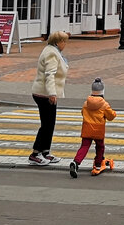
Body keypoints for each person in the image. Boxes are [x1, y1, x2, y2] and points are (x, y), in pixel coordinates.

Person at [29, 29, 70, 166]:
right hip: (44, 93)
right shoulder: (51, 53)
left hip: (46, 93)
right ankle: (35, 153)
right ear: (59, 42)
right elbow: (49, 74)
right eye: (64, 41)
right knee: (46, 124)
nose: (65, 44)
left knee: (50, 124)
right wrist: (52, 93)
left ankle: (45, 151)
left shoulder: (52, 50)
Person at [69, 77, 117, 178]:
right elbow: (111, 117)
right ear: (102, 91)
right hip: (98, 129)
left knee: (84, 146)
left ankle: (76, 162)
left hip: (87, 128)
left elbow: (82, 113)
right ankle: (98, 165)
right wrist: (114, 113)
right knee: (100, 147)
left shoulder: (86, 103)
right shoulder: (104, 104)